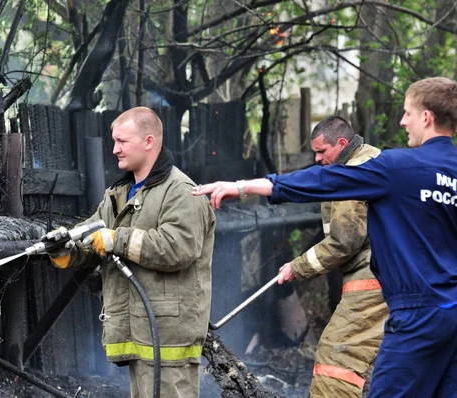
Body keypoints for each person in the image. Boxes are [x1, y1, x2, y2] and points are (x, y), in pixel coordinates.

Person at [193, 76, 457, 397]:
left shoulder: (397, 166)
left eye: (408, 113)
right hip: (450, 312)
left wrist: (242, 186)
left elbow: (321, 183)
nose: (402, 121)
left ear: (426, 118)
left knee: (339, 366)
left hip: (412, 310)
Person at [45, 107, 215, 398]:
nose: (115, 149)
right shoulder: (121, 192)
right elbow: (95, 235)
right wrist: (65, 249)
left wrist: (117, 239)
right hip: (139, 330)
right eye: (114, 141)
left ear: (149, 142)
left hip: (168, 334)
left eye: (122, 141)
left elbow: (179, 248)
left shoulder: (181, 191)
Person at [273, 116, 388, 397]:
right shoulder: (369, 158)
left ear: (342, 143)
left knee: (337, 356)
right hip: (391, 276)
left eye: (322, 151)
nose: (317, 159)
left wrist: (296, 267)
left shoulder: (354, 171)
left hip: (373, 280)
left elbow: (343, 242)